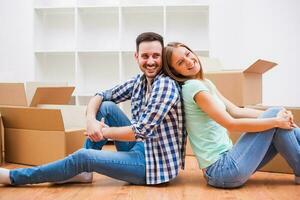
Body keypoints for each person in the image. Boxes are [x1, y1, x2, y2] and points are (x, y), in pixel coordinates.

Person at [0, 33, 186, 186]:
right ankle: (84, 172)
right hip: (142, 148)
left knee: (83, 156)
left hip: (153, 167)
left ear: (163, 57)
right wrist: (90, 120)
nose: (151, 61)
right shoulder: (140, 81)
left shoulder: (165, 85)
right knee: (106, 107)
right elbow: (101, 95)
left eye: (156, 56)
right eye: (145, 56)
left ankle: (14, 177)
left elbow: (141, 131)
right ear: (136, 56)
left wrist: (103, 133)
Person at [162, 42, 300, 188]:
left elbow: (236, 110)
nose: (189, 61)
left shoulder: (204, 82)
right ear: (175, 71)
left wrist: (280, 117)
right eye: (181, 62)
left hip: (230, 162)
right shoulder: (193, 88)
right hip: (221, 171)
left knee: (276, 114)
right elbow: (231, 123)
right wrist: (276, 120)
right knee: (274, 116)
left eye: (188, 54)